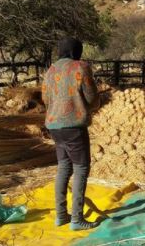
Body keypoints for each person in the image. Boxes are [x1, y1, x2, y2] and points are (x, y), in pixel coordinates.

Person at [42, 37, 100, 231]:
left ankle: (60, 216)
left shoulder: (50, 71)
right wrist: (92, 106)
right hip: (74, 126)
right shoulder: (80, 67)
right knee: (81, 168)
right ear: (77, 51)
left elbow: (45, 98)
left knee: (64, 167)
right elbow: (92, 97)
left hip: (54, 126)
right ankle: (77, 219)